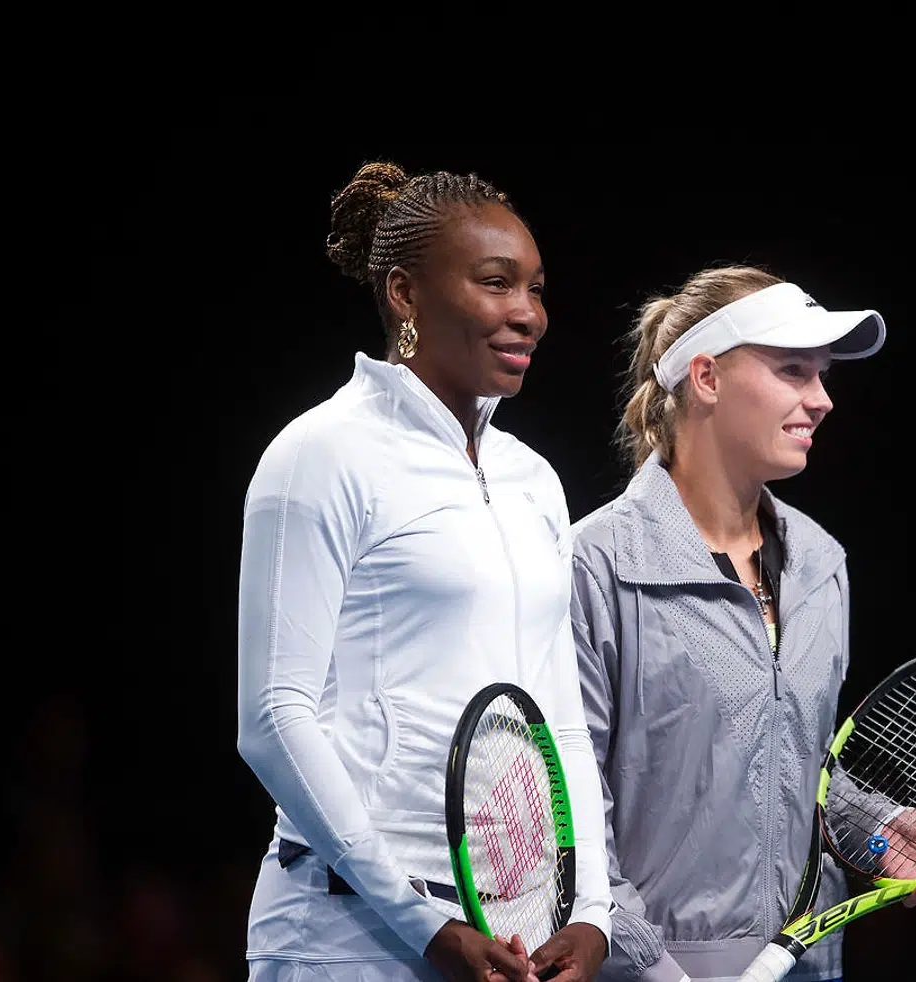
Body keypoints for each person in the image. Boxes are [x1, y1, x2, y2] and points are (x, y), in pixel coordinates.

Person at [236, 161, 612, 982]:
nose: (530, 315)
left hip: (509, 934)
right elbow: (272, 716)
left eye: (537, 289)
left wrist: (591, 910)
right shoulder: (320, 454)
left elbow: (561, 721)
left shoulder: (533, 479)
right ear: (406, 295)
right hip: (347, 934)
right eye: (495, 283)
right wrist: (421, 924)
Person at [568, 266, 916, 982]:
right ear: (706, 377)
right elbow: (568, 812)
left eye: (821, 376)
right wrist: (653, 968)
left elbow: (794, 767)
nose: (821, 399)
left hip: (807, 966)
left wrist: (879, 833)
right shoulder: (593, 564)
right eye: (793, 371)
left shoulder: (821, 562)